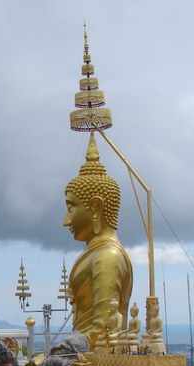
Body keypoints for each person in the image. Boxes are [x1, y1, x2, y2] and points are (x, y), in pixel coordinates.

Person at [63, 133, 133, 347]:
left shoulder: (107, 256)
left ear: (95, 207)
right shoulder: (96, 253)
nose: (66, 221)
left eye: (71, 208)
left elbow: (101, 329)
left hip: (96, 353)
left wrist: (66, 351)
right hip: (81, 348)